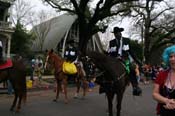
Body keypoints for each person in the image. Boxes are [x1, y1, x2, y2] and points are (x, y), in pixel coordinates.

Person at [108, 26, 142, 96]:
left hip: (125, 59)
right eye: (115, 33)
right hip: (114, 59)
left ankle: (135, 87)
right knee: (105, 67)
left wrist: (138, 61)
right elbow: (109, 53)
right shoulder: (111, 42)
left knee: (132, 68)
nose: (117, 34)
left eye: (118, 33)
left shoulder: (126, 40)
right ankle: (103, 85)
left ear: (120, 33)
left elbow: (131, 52)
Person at [152, 45, 175, 116]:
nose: (172, 59)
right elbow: (155, 94)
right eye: (171, 56)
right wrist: (166, 101)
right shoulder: (162, 74)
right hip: (164, 112)